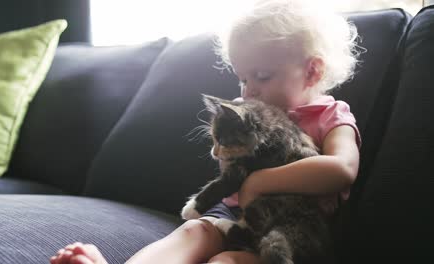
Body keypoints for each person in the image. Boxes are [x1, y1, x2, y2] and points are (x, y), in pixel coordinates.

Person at [50, 0, 362, 263]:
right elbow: (228, 167)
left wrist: (261, 181)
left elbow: (342, 169)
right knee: (191, 232)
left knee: (227, 261)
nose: (249, 90)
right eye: (242, 79)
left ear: (312, 71)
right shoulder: (243, 111)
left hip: (286, 230)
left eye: (262, 76)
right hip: (230, 212)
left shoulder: (329, 115)